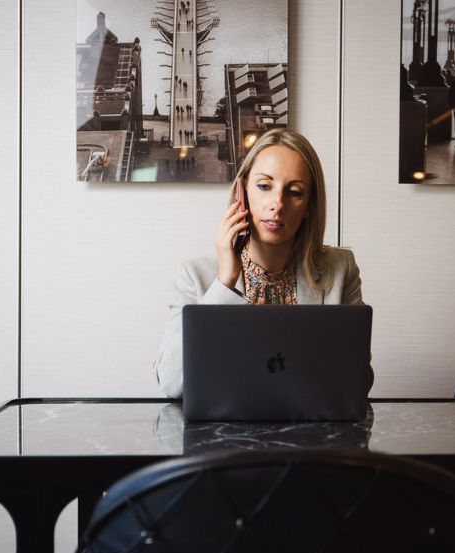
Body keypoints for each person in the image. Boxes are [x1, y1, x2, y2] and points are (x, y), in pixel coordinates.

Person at [153, 129, 367, 398]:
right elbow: (172, 385)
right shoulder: (193, 277)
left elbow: (359, 380)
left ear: (309, 206)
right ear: (241, 192)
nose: (277, 204)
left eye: (295, 192)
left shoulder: (340, 268)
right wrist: (225, 282)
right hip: (223, 434)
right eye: (264, 186)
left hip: (311, 433)